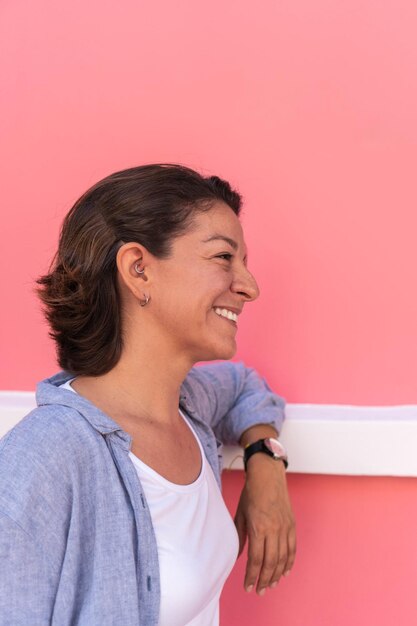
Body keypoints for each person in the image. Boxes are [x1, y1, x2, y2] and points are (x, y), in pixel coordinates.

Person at [0, 164, 296, 625]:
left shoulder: (189, 406)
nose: (249, 287)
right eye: (223, 257)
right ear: (139, 269)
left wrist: (266, 462)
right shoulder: (43, 459)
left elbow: (244, 387)